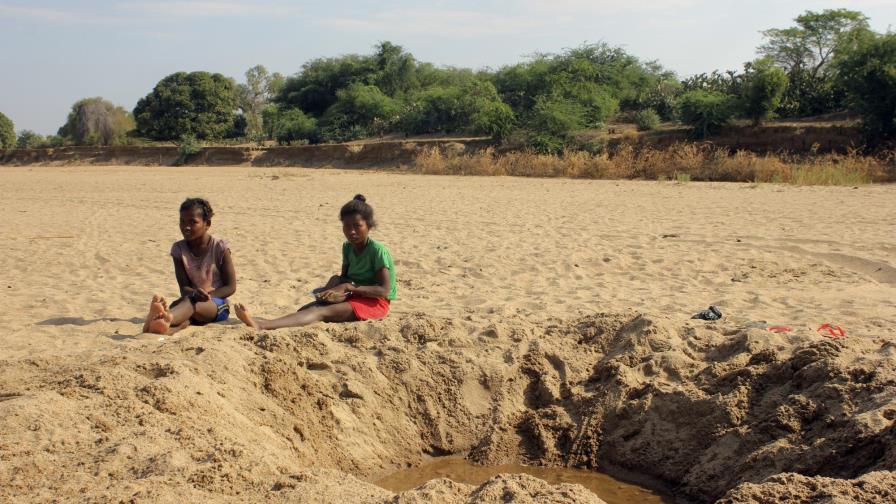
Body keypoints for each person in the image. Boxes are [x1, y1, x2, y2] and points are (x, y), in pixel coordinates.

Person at [235, 194, 395, 330]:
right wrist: (333, 288)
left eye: (357, 226)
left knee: (320, 313)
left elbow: (384, 290)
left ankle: (261, 325)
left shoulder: (377, 250)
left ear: (369, 226)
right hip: (354, 295)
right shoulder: (347, 247)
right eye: (346, 226)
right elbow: (345, 278)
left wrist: (348, 287)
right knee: (307, 309)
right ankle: (267, 323)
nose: (351, 231)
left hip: (375, 303)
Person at [143, 198, 237, 334]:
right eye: (182, 221)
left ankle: (163, 318)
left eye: (193, 222)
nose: (186, 226)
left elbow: (231, 286)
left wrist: (207, 296)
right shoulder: (178, 249)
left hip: (217, 305)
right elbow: (183, 287)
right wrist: (194, 294)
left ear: (207, 224)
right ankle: (162, 329)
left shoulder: (220, 248)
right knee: (183, 309)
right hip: (191, 299)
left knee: (190, 305)